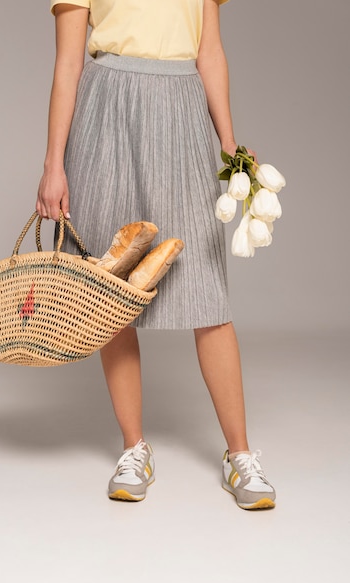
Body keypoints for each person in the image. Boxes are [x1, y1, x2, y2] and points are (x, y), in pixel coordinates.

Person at [36, 0, 276, 510]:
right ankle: (133, 448)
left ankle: (240, 455)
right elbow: (69, 63)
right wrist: (53, 163)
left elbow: (210, 52)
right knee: (112, 285)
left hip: (183, 108)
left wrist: (230, 146)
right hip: (106, 112)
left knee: (206, 288)